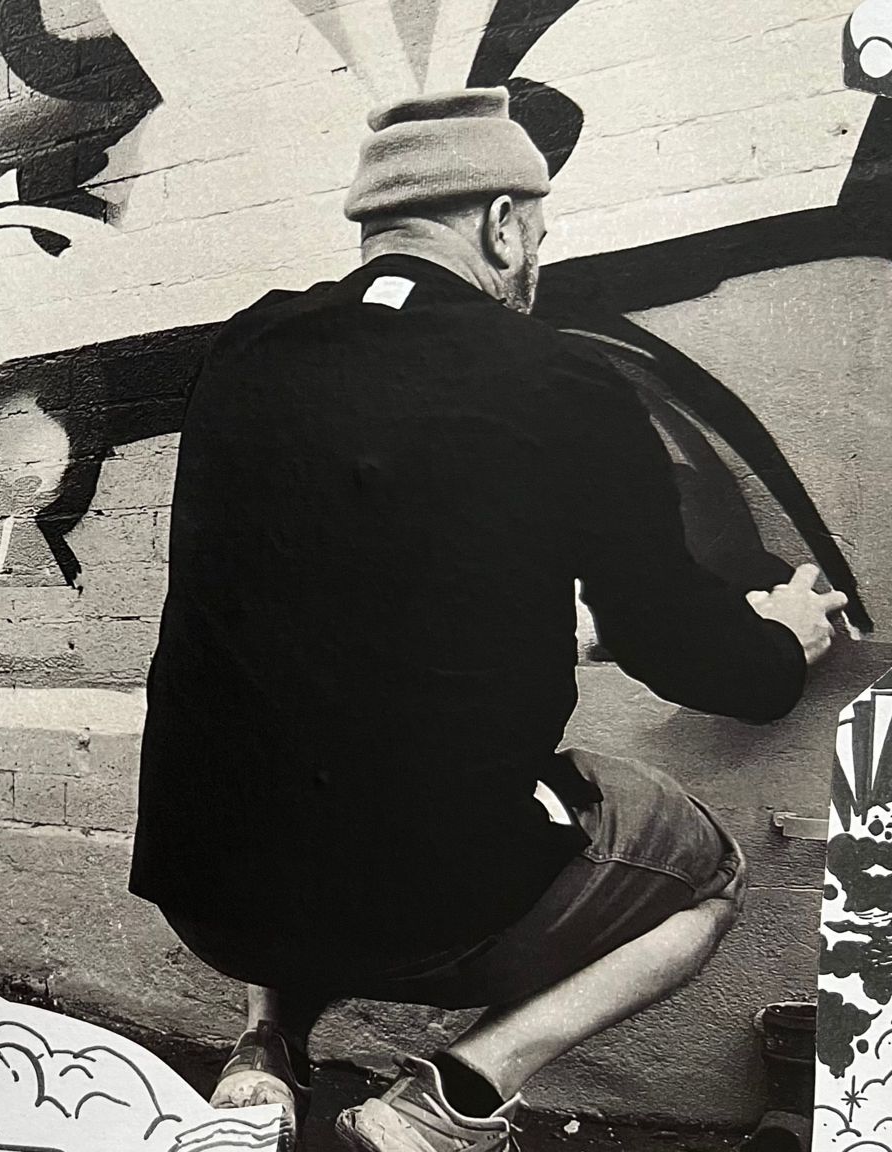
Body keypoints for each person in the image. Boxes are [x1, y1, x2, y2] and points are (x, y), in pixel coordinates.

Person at [129, 88, 849, 1152]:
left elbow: (330, 592)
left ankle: (265, 1052)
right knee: (707, 876)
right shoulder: (555, 377)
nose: (534, 265)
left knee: (281, 724)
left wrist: (550, 626)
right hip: (424, 915)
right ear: (501, 222)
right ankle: (454, 1096)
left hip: (208, 899)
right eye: (537, 239)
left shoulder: (243, 354)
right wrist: (780, 641)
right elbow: (682, 649)